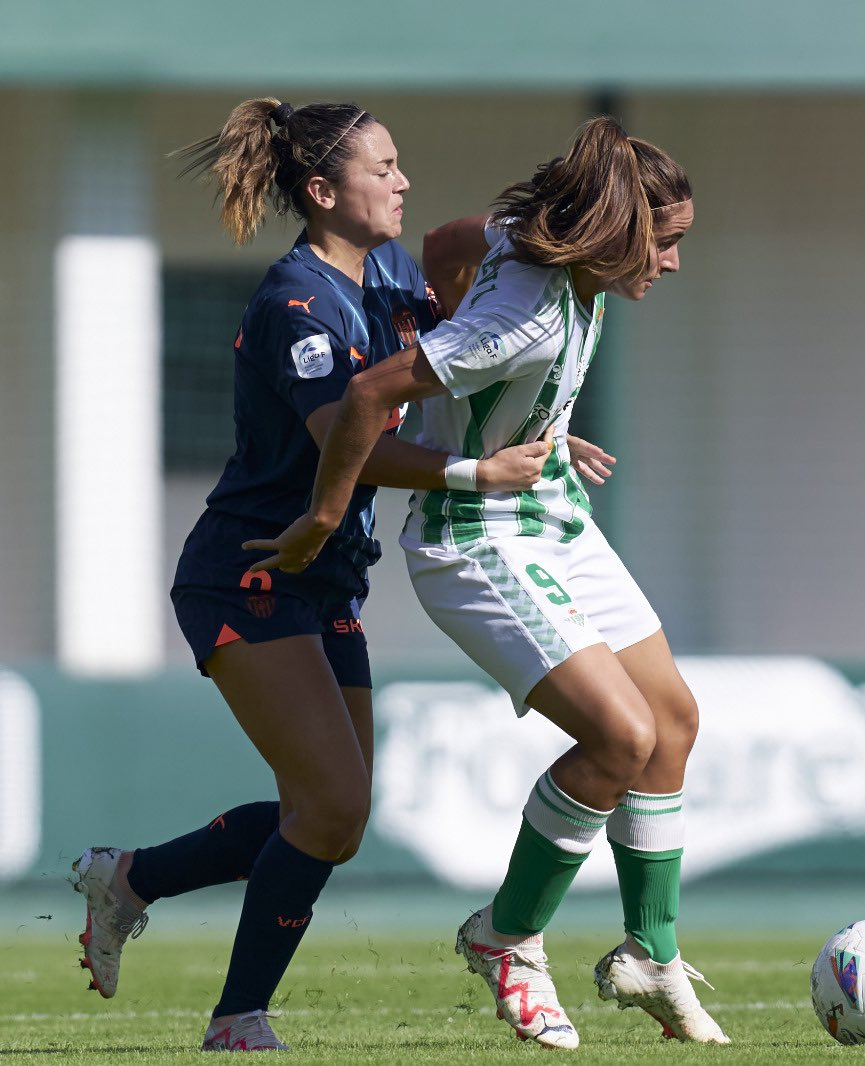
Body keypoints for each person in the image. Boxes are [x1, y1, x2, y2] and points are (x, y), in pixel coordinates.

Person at [69, 97, 555, 1053]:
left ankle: (129, 879)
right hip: (249, 571)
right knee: (330, 806)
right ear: (325, 192)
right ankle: (237, 1021)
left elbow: (458, 310)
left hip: (327, 578)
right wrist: (476, 472)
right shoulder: (297, 300)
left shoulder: (393, 273)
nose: (403, 181)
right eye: (384, 168)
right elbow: (348, 439)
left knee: (334, 818)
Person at [247, 116, 730, 1050]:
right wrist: (322, 517)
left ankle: (652, 951)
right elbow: (367, 395)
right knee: (621, 735)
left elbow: (446, 242)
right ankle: (504, 937)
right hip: (475, 539)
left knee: (672, 721)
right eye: (665, 243)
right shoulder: (521, 320)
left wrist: (512, 408)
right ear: (617, 232)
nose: (673, 263)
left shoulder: (528, 249)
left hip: (551, 513)